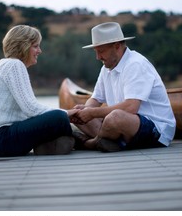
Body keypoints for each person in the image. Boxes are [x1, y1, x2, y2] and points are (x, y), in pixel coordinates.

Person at [72, 22, 176, 152]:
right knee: (77, 112)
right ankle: (109, 141)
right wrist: (85, 111)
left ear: (117, 46)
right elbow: (96, 99)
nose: (98, 57)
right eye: (96, 52)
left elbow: (131, 107)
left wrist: (92, 113)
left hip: (156, 130)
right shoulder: (107, 67)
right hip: (125, 126)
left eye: (101, 51)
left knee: (115, 118)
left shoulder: (136, 64)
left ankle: (90, 143)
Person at [0, 25, 78, 156]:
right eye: (35, 46)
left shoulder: (6, 65)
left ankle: (57, 143)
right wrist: (67, 113)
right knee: (58, 118)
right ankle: (86, 142)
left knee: (57, 118)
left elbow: (29, 112)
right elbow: (31, 109)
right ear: (22, 46)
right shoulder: (14, 65)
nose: (39, 51)